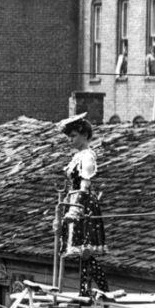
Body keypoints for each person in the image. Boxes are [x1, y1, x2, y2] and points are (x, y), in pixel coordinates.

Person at [58, 114, 107, 295]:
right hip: (75, 200)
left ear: (84, 134)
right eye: (69, 137)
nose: (70, 140)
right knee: (80, 251)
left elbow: (85, 184)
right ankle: (85, 288)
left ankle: (100, 287)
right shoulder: (78, 156)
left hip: (83, 204)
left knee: (84, 250)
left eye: (73, 136)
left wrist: (75, 207)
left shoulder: (87, 156)